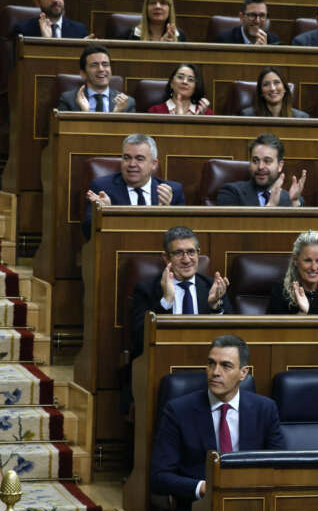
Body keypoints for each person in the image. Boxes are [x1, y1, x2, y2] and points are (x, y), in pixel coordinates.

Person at [150, 335, 281, 511]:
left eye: (226, 366)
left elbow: (279, 466)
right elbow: (159, 476)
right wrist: (203, 488)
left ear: (243, 373)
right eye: (211, 363)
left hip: (251, 507)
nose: (215, 372)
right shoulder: (179, 411)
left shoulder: (265, 410)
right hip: (198, 509)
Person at [130, 227, 231, 358]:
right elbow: (139, 340)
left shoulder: (214, 287)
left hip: (205, 360)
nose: (186, 259)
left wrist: (215, 308)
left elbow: (231, 339)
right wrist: (166, 302)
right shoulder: (146, 289)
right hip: (162, 359)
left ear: (198, 253)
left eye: (191, 252)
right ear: (166, 258)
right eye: (178, 253)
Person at [81, 133, 184, 237]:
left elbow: (182, 236)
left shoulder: (172, 191)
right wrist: (105, 213)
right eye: (127, 158)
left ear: (154, 164)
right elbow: (87, 233)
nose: (132, 164)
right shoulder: (102, 188)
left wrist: (167, 210)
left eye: (139, 159)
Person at [267, 231, 318, 314]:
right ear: (295, 260)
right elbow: (274, 328)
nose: (314, 267)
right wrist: (302, 312)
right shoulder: (280, 292)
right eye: (307, 260)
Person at [215, 133, 306, 207]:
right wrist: (270, 207)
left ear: (280, 166)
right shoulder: (231, 193)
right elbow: (232, 227)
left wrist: (294, 203)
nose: (260, 167)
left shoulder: (291, 199)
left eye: (267, 161)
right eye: (255, 161)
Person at [58, 45, 135, 113]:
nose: (101, 69)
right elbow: (66, 129)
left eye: (105, 64)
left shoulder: (127, 103)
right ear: (83, 74)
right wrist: (84, 114)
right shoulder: (69, 100)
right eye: (94, 65)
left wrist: (116, 114)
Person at [13, 0, 89, 38]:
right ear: (37, 2)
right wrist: (45, 40)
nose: (55, 0)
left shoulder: (79, 30)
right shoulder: (24, 31)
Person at [240, 67, 307, 118]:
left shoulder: (301, 118)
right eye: (266, 84)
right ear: (261, 91)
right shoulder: (247, 116)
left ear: (285, 88)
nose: (272, 88)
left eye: (277, 83)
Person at [148, 64, 213, 115]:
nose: (184, 82)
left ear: (196, 87)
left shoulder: (206, 113)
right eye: (180, 77)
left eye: (190, 80)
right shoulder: (155, 111)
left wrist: (200, 120)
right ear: (171, 83)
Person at [213, 0, 280, 45]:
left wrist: (265, 52)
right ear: (241, 17)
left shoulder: (273, 41)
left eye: (262, 15)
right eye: (252, 15)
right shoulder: (225, 40)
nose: (257, 21)